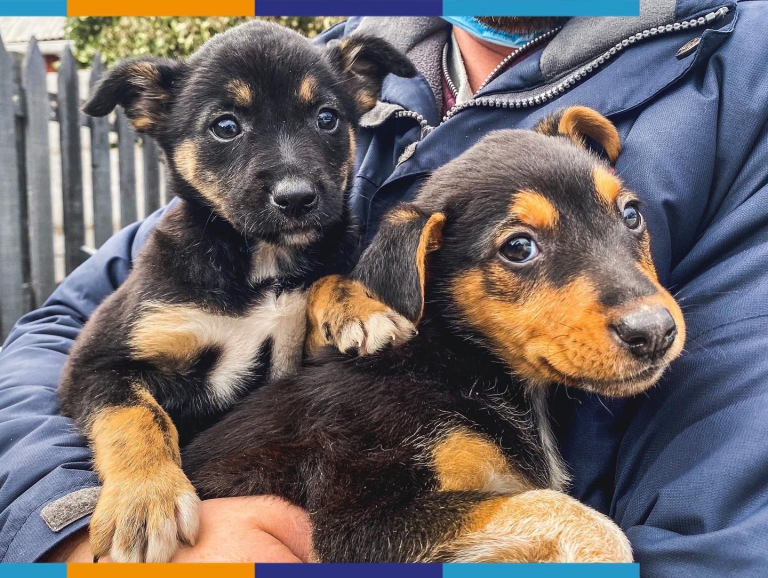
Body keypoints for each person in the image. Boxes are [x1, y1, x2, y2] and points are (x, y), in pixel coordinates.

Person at [1, 4, 767, 574]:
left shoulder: (738, 75)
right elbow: (56, 338)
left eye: (327, 123)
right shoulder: (305, 69)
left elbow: (731, 527)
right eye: (231, 130)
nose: (295, 175)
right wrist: (75, 522)